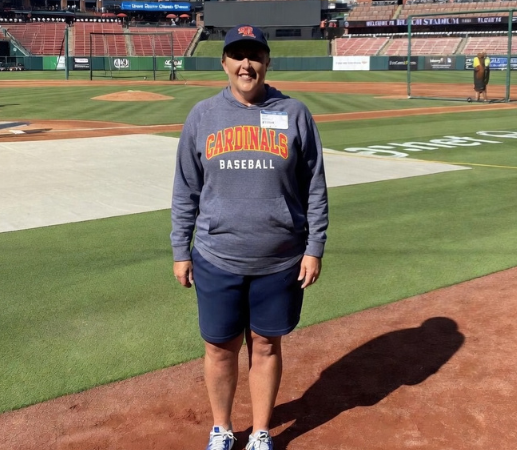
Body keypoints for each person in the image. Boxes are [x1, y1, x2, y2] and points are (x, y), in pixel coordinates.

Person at [170, 24, 328, 450]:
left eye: (254, 55)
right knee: (220, 348)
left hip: (280, 259)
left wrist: (314, 248)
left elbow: (314, 185)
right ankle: (221, 428)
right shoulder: (203, 116)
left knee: (266, 344)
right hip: (216, 255)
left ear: (266, 62)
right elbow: (186, 188)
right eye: (237, 56)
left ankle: (260, 431)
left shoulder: (294, 113)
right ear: (223, 62)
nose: (246, 64)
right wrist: (179, 250)